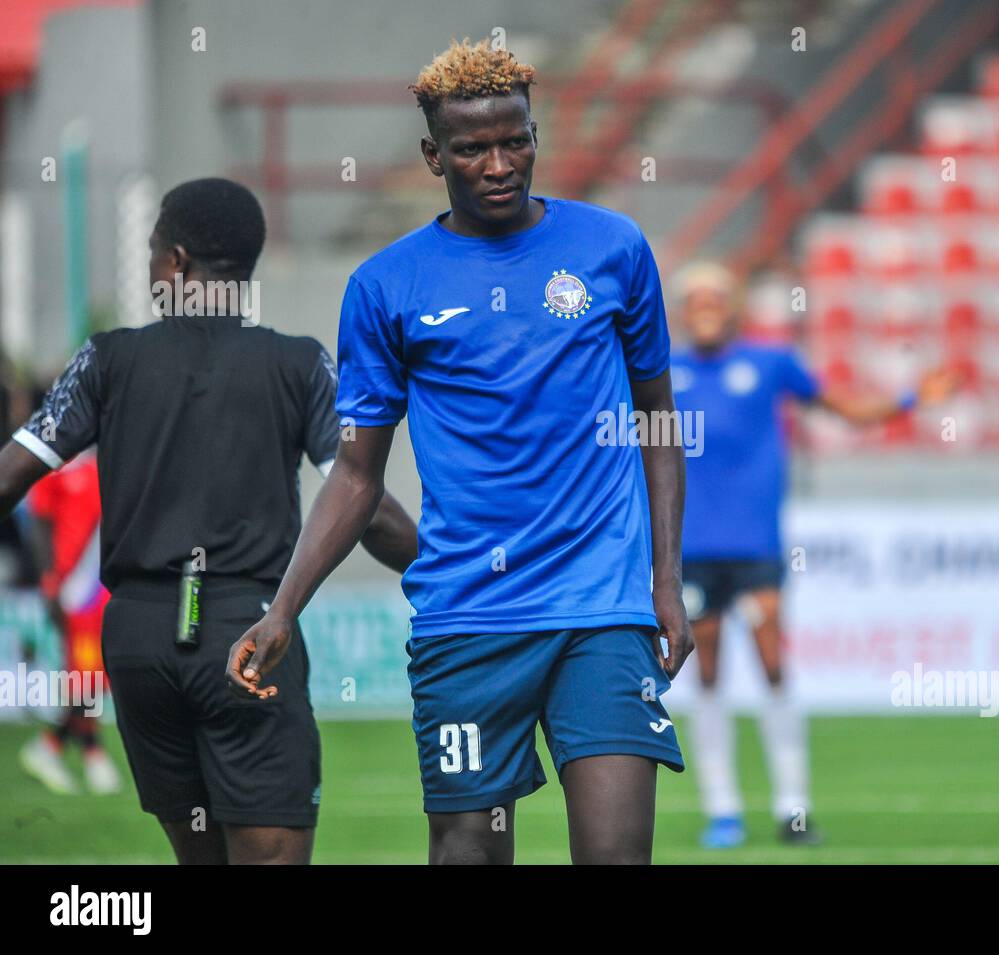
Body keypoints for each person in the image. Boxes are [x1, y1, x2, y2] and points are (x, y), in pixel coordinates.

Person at [226, 37, 692, 866]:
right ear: (432, 154)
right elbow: (356, 474)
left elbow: (658, 422)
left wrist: (665, 580)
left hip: (603, 610)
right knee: (469, 852)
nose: (499, 163)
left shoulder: (613, 249)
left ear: (535, 135)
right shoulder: (386, 285)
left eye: (516, 140)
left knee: (618, 855)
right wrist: (284, 606)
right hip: (468, 618)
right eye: (473, 148)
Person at [0, 177, 418, 864]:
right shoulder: (298, 363)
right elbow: (363, 499)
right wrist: (451, 568)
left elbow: (13, 473)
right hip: (247, 630)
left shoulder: (106, 359)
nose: (147, 263)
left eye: (151, 249)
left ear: (178, 260)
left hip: (137, 638)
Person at [669, 261, 953, 848]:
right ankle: (723, 810)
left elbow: (841, 408)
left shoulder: (770, 363)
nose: (705, 309)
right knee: (709, 673)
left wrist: (906, 401)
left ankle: (793, 808)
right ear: (682, 310)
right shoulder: (661, 372)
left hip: (755, 547)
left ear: (732, 307)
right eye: (695, 300)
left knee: (773, 665)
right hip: (690, 550)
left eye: (714, 300)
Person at [18, 446, 122, 795]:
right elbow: (39, 523)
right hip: (74, 588)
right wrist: (49, 578)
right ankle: (85, 752)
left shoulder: (103, 466)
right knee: (86, 674)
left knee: (93, 674)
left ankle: (56, 746)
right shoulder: (55, 468)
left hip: (99, 586)